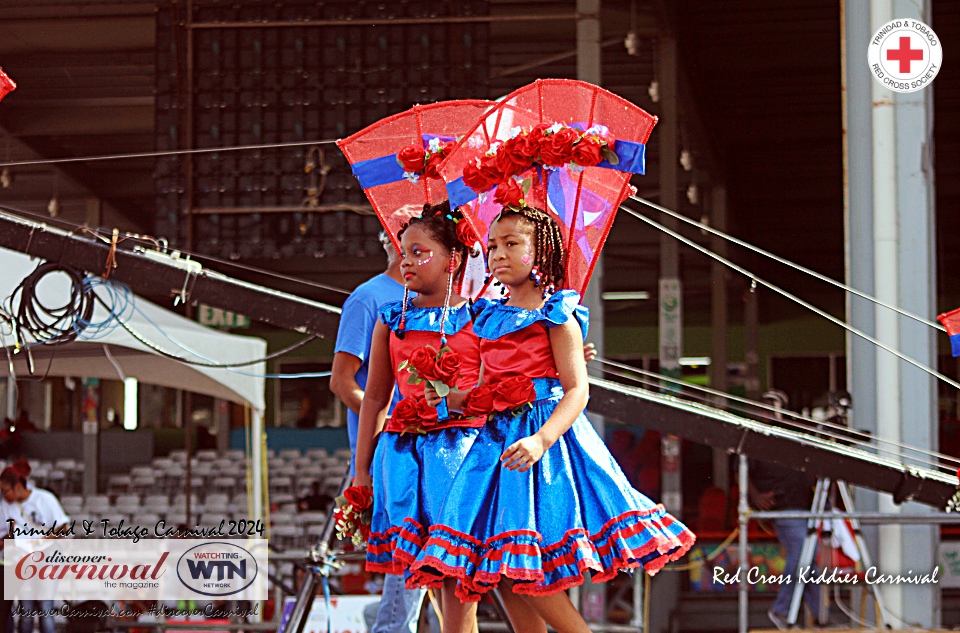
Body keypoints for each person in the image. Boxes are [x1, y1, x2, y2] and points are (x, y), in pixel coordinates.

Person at [414, 206, 696, 632]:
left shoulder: (558, 313)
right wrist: (439, 393)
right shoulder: (487, 316)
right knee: (509, 575)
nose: (497, 254)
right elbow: (485, 388)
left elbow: (578, 390)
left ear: (540, 251)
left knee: (530, 576)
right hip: (495, 449)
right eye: (491, 246)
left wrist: (541, 440)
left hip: (544, 448)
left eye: (511, 244)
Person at [329, 224, 428, 633]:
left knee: (426, 557)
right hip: (391, 447)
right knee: (411, 552)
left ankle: (383, 619)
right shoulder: (368, 298)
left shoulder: (433, 299)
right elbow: (342, 381)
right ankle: (387, 624)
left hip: (429, 443)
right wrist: (385, 423)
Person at [749, 458, 823, 629]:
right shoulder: (763, 439)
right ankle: (782, 609)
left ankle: (820, 616)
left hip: (803, 505)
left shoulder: (802, 436)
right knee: (803, 553)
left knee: (807, 557)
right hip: (783, 505)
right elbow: (741, 467)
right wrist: (755, 496)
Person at [0, 459, 70, 633]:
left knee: (45, 609)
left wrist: (40, 541)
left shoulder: (44, 499)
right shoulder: (7, 506)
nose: (3, 495)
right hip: (23, 559)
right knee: (26, 611)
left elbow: (63, 528)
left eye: (5, 490)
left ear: (17, 487)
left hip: (47, 556)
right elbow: (8, 533)